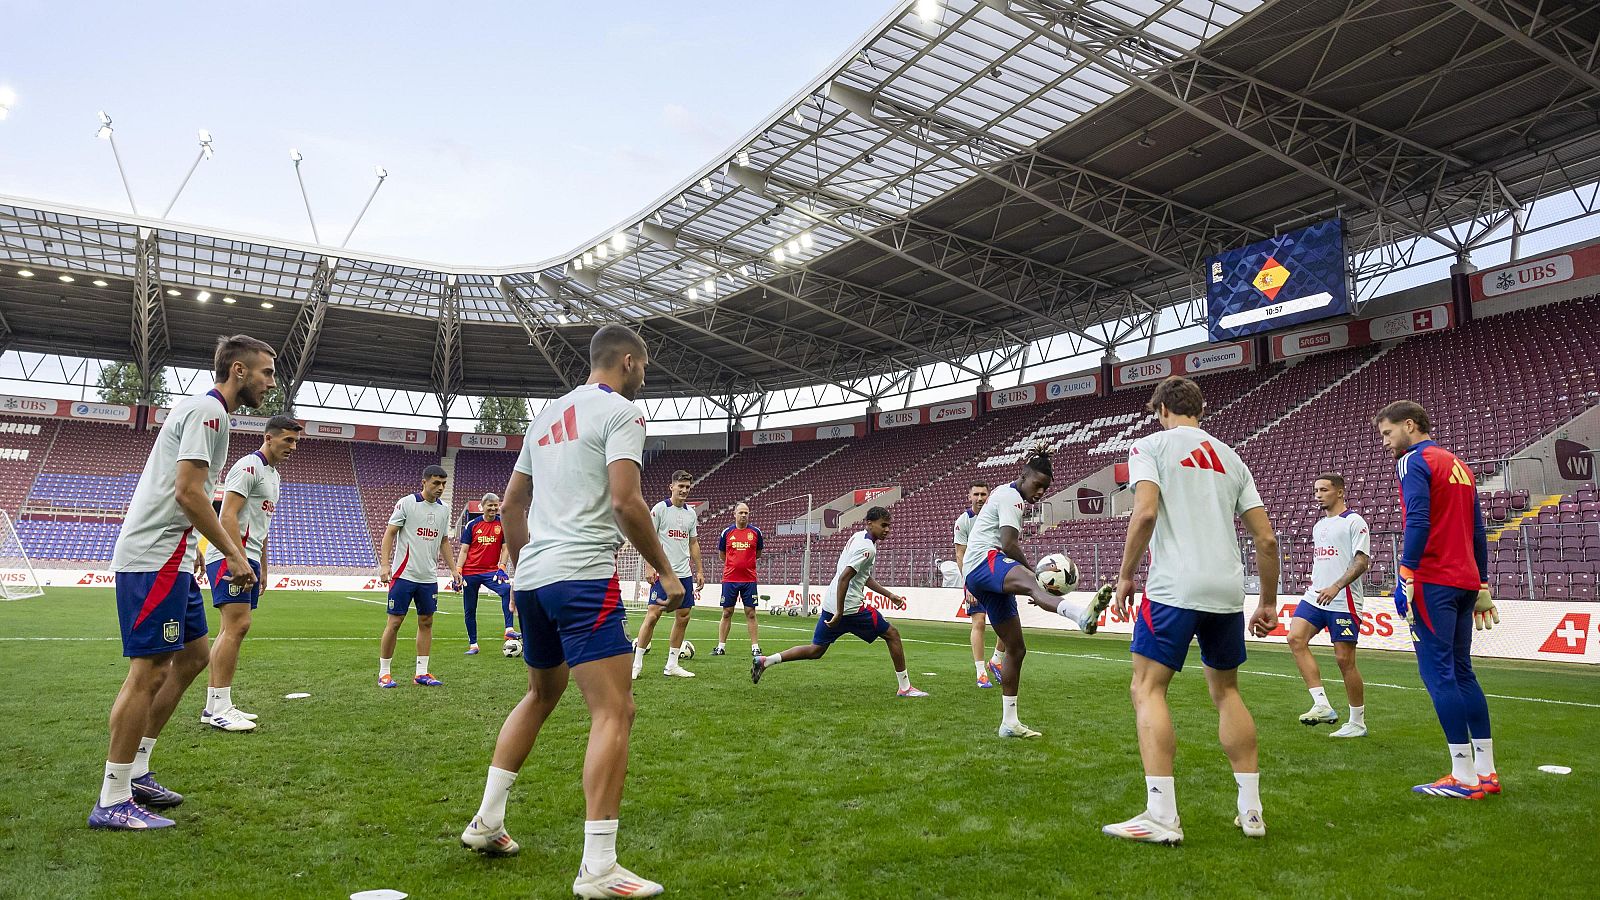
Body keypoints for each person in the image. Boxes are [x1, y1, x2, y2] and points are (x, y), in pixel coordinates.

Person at [460, 323, 681, 899]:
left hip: (534, 577)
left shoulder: (546, 415)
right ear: (628, 362)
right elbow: (626, 502)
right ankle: (599, 867)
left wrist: (525, 569)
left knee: (541, 694)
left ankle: (486, 821)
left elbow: (512, 505)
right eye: (644, 365)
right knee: (615, 710)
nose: (644, 375)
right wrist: (664, 570)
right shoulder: (622, 413)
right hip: (582, 575)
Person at [90, 334, 273, 830]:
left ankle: (137, 770)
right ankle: (112, 797)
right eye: (266, 373)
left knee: (194, 657)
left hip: (174, 558)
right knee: (149, 672)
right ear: (238, 370)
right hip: (154, 557)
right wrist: (233, 553)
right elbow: (189, 493)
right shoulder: (208, 412)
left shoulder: (215, 415)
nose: (270, 383)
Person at [1104, 376, 1279, 845]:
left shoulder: (1150, 446)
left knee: (1147, 688)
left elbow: (1145, 512)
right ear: (1199, 410)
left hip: (1174, 587)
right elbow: (1265, 539)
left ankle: (1162, 815)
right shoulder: (1231, 456)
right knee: (1227, 692)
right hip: (1226, 590)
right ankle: (1252, 812)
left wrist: (1125, 576)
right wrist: (1267, 602)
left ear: (1162, 409)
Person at [1376, 400, 1499, 799]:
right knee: (1463, 672)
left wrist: (1406, 572)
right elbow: (1477, 530)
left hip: (1433, 580)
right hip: (1465, 581)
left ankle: (1462, 776)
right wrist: (1482, 582)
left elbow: (1418, 518)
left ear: (1409, 425)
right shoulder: (1459, 464)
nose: (1385, 442)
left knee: (1439, 673)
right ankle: (1486, 772)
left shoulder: (1412, 460)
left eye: (1387, 433)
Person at [962, 448, 1110, 737]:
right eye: (1037, 484)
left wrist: (1033, 581)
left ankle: (1009, 723)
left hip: (980, 571)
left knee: (1016, 648)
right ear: (1023, 476)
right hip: (983, 561)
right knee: (1034, 584)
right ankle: (1080, 616)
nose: (1040, 492)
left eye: (1045, 488)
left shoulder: (1008, 494)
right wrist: (1035, 576)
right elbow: (1008, 544)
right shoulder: (1012, 497)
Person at [751, 507, 928, 698]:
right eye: (883, 525)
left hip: (831, 602)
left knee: (816, 650)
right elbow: (845, 577)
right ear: (869, 523)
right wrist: (840, 612)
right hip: (850, 608)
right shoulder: (867, 548)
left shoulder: (858, 537)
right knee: (892, 634)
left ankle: (766, 661)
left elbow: (862, 576)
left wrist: (889, 595)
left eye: (889, 526)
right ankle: (905, 687)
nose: (887, 530)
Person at [201, 415, 303, 731]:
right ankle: (221, 708)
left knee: (231, 628)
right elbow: (227, 516)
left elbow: (263, 526)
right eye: (288, 440)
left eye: (296, 441)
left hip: (250, 557)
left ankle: (213, 706)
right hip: (231, 556)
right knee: (238, 625)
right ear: (269, 438)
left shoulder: (274, 476)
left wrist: (264, 567)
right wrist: (238, 559)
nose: (293, 447)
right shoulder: (249, 466)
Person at [1288, 473, 1371, 737]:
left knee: (1344, 660)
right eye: (1316, 491)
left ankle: (1357, 723)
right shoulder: (1319, 526)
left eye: (1324, 490)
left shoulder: (1354, 521)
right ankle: (1322, 704)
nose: (1318, 495)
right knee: (1295, 638)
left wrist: (1336, 586)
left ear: (1340, 492)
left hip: (1343, 599)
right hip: (1316, 596)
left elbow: (1362, 562)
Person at [377, 465, 464, 688]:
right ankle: (384, 673)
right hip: (404, 574)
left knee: (426, 621)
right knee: (395, 622)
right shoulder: (407, 503)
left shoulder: (444, 509)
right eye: (436, 483)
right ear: (424, 482)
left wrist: (454, 569)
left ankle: (421, 673)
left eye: (443, 483)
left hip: (428, 577)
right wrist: (385, 565)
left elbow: (444, 541)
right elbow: (390, 533)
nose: (440, 487)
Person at [630, 470, 704, 680]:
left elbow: (693, 543)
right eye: (681, 486)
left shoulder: (691, 514)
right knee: (653, 615)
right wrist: (649, 566)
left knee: (684, 616)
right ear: (671, 487)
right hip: (664, 572)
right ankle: (636, 664)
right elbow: (648, 538)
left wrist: (699, 570)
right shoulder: (660, 509)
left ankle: (672, 664)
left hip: (684, 574)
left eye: (687, 487)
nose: (684, 490)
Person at [953, 482, 1006, 688]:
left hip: (996, 574)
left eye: (984, 494)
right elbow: (960, 554)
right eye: (976, 494)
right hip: (975, 577)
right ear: (969, 497)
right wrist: (968, 584)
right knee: (980, 622)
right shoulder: (964, 521)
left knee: (1006, 622)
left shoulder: (996, 517)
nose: (980, 498)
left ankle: (997, 660)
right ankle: (981, 672)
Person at [456, 493, 518, 655]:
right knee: (470, 609)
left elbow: (505, 548)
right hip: (470, 572)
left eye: (496, 505)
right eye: (490, 505)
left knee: (507, 590)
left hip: (491, 571)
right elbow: (464, 550)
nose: (493, 508)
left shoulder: (502, 523)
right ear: (482, 506)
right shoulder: (472, 525)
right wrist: (458, 570)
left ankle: (509, 629)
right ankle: (473, 645)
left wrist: (502, 567)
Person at [714, 502, 763, 657]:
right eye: (741, 512)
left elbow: (758, 553)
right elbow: (722, 555)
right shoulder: (727, 532)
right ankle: (721, 646)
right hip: (730, 579)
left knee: (751, 613)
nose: (743, 515)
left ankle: (755, 647)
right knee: (727, 612)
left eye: (746, 513)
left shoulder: (756, 532)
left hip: (749, 579)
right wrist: (734, 564)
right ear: (734, 514)